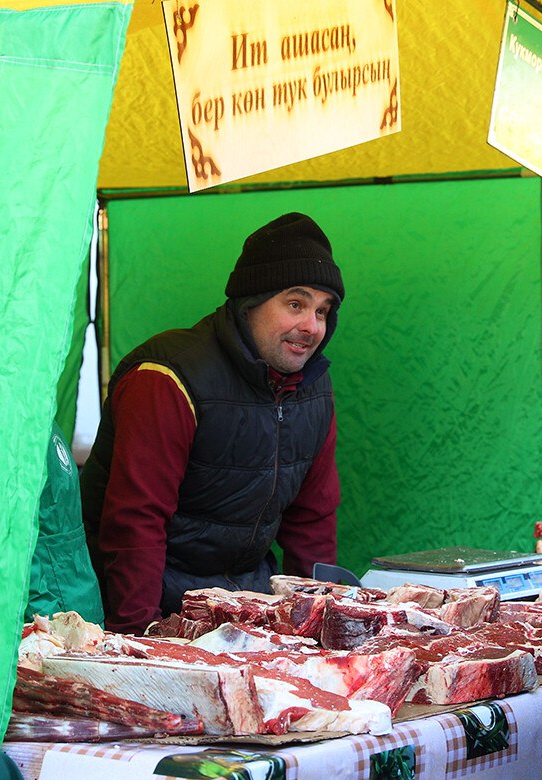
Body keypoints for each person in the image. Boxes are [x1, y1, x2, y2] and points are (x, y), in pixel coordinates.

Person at [80, 212, 344, 634]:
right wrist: (137, 637)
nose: (311, 327)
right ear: (250, 302)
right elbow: (136, 520)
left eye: (323, 311)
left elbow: (311, 520)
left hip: (245, 602)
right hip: (150, 602)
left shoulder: (313, 389)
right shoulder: (167, 377)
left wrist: (317, 627)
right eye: (296, 304)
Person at [26, 421, 104, 625]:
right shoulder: (7, 425)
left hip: (80, 603)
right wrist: (47, 622)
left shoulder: (42, 418)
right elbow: (14, 546)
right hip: (50, 613)